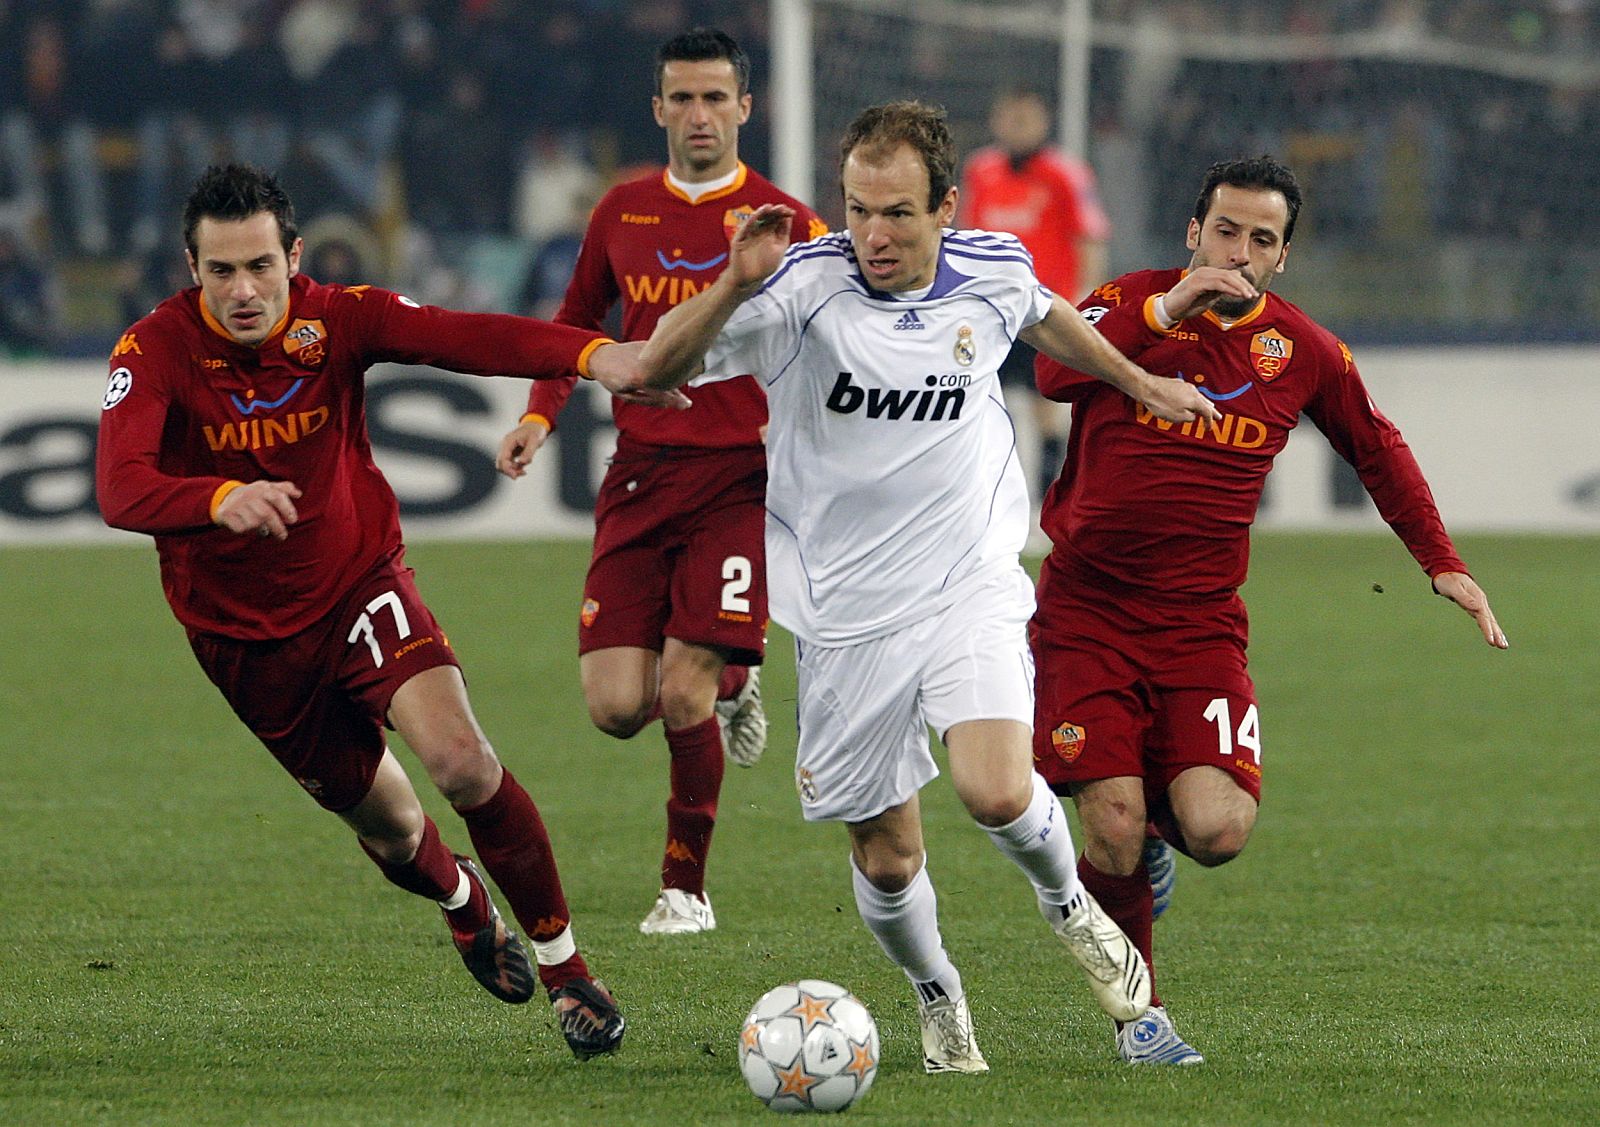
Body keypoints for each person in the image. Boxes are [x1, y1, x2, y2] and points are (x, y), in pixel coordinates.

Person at [626, 100, 1223, 1074]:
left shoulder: (990, 268)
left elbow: (1046, 316)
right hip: (845, 614)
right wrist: (734, 284)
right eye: (857, 209)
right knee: (890, 855)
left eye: (897, 212)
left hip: (967, 577)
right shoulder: (798, 288)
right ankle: (938, 993)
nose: (873, 234)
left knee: (995, 789)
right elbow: (659, 362)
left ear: (945, 207)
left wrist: (1139, 383)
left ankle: (1073, 909)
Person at [94, 164, 679, 1060]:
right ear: (192, 268)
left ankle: (569, 977)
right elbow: (119, 484)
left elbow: (464, 335)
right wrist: (217, 500)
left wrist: (599, 357)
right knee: (396, 828)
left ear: (295, 255)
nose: (245, 291)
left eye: (261, 265)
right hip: (243, 640)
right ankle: (460, 898)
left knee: (463, 762)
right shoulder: (153, 350)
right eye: (221, 272)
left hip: (360, 584)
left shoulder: (340, 318)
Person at [1028, 155, 1508, 1065]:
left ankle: (1153, 837)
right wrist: (1166, 315)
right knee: (1113, 823)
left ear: (1283, 256)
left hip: (1201, 622)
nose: (1238, 253)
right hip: (1087, 607)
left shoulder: (1303, 351)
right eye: (1225, 231)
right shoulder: (1127, 303)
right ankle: (1141, 1019)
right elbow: (1051, 379)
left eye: (1261, 239)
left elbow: (1379, 448)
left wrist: (1441, 563)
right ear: (1192, 232)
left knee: (1217, 829)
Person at [494, 27, 827, 937]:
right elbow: (574, 325)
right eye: (682, 98)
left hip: (743, 478)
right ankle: (735, 683)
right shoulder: (623, 210)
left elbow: (843, 343)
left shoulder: (790, 221)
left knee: (680, 686)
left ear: (746, 108)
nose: (699, 115)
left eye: (716, 98)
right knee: (615, 708)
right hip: (640, 471)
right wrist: (537, 415)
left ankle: (686, 887)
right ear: (657, 109)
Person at [958, 87, 1110, 507]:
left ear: (1043, 121)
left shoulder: (1066, 174)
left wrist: (1085, 303)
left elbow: (1091, 237)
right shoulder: (981, 170)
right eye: (1009, 117)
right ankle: (985, 500)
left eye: (1025, 118)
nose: (1016, 126)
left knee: (1047, 405)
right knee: (982, 404)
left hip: (1046, 310)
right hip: (991, 314)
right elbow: (969, 233)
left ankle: (1049, 500)